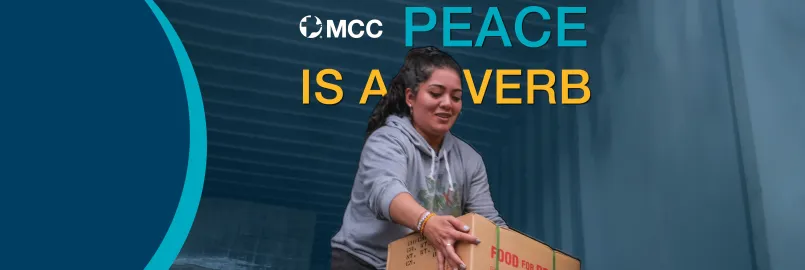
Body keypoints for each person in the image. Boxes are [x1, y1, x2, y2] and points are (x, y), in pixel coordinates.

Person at [330, 46, 507, 270]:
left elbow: (488, 220)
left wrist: (515, 253)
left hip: (415, 265)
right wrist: (428, 222)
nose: (447, 104)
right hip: (364, 261)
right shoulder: (387, 140)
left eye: (456, 97)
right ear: (411, 97)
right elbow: (385, 191)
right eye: (436, 93)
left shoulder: (470, 160)